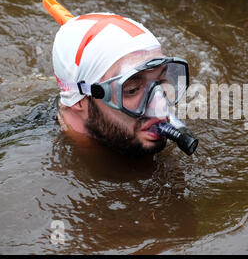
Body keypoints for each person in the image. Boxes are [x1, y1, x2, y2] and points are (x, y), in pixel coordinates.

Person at [50, 10, 192, 157]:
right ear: (79, 101)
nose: (160, 105)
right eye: (132, 90)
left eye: (162, 82)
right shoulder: (37, 159)